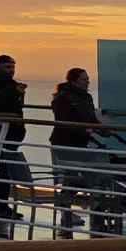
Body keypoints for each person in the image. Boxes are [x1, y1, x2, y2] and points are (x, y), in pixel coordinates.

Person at [50, 68, 118, 235]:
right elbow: (64, 121)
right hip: (65, 143)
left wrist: (102, 130)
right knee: (77, 177)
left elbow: (91, 119)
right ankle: (80, 211)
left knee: (78, 177)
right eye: (84, 79)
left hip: (80, 144)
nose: (87, 82)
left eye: (87, 79)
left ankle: (73, 210)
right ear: (74, 81)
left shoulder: (86, 97)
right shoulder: (63, 98)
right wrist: (86, 131)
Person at [0, 55, 31, 236]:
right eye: (7, 67)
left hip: (11, 131)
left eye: (12, 67)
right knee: (1, 168)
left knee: (6, 169)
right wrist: (15, 92)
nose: (11, 71)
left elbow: (17, 107)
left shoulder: (10, 85)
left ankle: (2, 204)